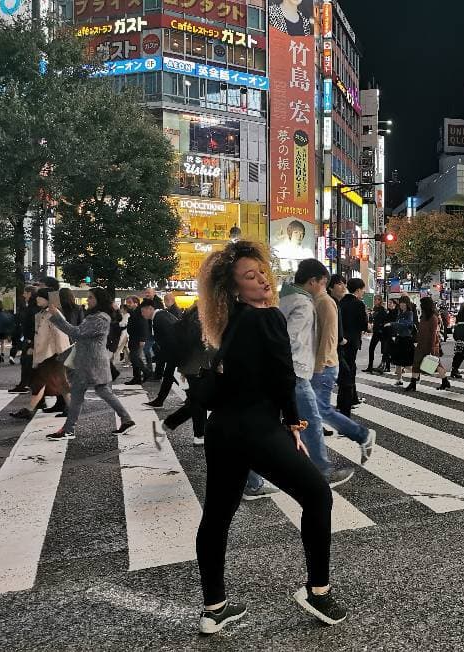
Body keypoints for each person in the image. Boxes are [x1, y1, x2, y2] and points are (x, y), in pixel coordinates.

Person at [194, 239, 347, 634]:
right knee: (317, 495)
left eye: (261, 271)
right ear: (233, 288)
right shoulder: (268, 318)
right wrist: (293, 426)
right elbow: (284, 378)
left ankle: (214, 608)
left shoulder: (228, 323)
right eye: (250, 275)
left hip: (222, 429)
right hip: (256, 429)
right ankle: (317, 591)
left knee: (217, 517)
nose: (262, 278)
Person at [279, 258, 357, 487]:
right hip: (296, 371)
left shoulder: (285, 298)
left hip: (286, 371)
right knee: (311, 420)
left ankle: (253, 479)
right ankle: (322, 470)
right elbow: (290, 340)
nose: (325, 288)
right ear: (313, 281)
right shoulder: (304, 304)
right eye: (323, 283)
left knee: (275, 422)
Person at [45, 288, 135, 441]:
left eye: (91, 298)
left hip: (89, 363)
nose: (88, 300)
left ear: (99, 300)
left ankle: (68, 430)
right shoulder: (98, 316)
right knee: (99, 392)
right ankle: (126, 419)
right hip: (91, 362)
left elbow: (76, 332)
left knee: (79, 395)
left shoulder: (99, 318)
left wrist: (56, 316)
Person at [311, 270, 376, 466]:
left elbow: (330, 332)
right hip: (332, 356)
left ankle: (358, 434)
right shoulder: (331, 302)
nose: (343, 287)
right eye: (339, 283)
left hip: (327, 359)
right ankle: (356, 431)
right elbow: (331, 333)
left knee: (317, 405)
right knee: (319, 404)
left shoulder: (330, 302)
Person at [9, 290, 71, 420]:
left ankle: (30, 409)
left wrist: (62, 353)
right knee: (48, 382)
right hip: (47, 354)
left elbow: (60, 335)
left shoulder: (53, 313)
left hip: (53, 354)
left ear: (47, 299)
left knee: (52, 382)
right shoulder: (43, 313)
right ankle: (31, 409)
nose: (37, 300)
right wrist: (33, 348)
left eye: (39, 298)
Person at [162, 304, 210, 447]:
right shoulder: (201, 324)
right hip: (200, 367)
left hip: (189, 367)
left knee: (197, 400)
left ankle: (174, 423)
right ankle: (199, 434)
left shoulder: (184, 323)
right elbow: (205, 348)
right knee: (199, 401)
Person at [404, 296, 450, 392]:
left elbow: (433, 334)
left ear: (426, 305)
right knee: (416, 364)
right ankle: (413, 383)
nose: (420, 306)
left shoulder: (433, 318)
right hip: (421, 343)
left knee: (436, 365)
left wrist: (431, 349)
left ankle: (445, 381)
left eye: (422, 304)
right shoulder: (424, 316)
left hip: (429, 345)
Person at [141, 299, 180, 408]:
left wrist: (162, 356)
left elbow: (169, 338)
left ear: (150, 308)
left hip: (176, 351)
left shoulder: (160, 318)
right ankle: (160, 400)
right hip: (176, 350)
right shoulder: (161, 315)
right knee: (169, 375)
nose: (142, 314)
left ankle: (160, 400)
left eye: (143, 311)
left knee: (175, 375)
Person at [339, 278, 368, 411]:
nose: (363, 292)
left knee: (346, 369)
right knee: (350, 369)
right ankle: (347, 400)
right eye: (362, 290)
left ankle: (352, 398)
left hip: (341, 340)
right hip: (353, 341)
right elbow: (363, 325)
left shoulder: (341, 302)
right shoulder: (359, 304)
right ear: (357, 290)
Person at [390, 296, 417, 386]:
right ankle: (399, 379)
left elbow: (407, 324)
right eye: (400, 303)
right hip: (399, 338)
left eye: (403, 303)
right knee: (397, 361)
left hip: (406, 339)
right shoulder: (400, 313)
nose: (401, 304)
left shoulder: (409, 313)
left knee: (407, 362)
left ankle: (416, 375)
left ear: (407, 304)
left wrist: (394, 324)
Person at [124, 296, 150, 385]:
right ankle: (137, 378)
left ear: (136, 303)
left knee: (134, 357)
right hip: (133, 338)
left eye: (130, 302)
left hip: (138, 338)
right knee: (135, 358)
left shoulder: (140, 312)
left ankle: (146, 372)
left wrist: (143, 339)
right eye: (127, 302)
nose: (128, 304)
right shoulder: (133, 312)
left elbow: (144, 325)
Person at [364, 295, 388, 373]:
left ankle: (385, 365)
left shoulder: (383, 310)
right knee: (371, 348)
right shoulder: (375, 309)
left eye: (376, 299)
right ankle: (370, 366)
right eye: (374, 299)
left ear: (380, 300)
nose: (374, 301)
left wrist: (380, 326)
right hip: (376, 331)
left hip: (381, 332)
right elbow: (373, 319)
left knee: (384, 349)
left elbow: (384, 320)